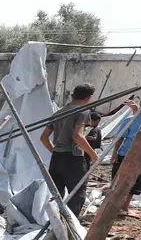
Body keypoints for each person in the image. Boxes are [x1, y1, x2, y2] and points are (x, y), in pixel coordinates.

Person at [41, 84, 98, 217]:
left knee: (56, 195)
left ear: (73, 95)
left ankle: (56, 223)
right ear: (89, 97)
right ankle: (71, 226)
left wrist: (54, 151)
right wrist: (93, 155)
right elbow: (78, 136)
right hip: (73, 159)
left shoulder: (59, 113)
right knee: (76, 195)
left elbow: (43, 138)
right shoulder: (83, 111)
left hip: (57, 159)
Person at [110, 102, 141, 201]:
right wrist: (115, 153)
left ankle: (125, 206)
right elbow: (120, 138)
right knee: (118, 181)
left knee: (134, 183)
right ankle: (113, 203)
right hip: (125, 154)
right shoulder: (131, 120)